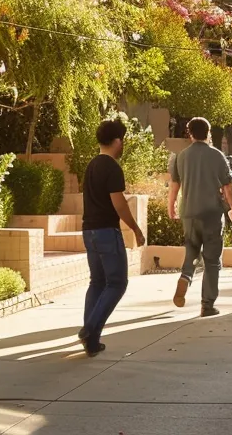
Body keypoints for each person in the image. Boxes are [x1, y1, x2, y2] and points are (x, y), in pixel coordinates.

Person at [78, 119, 144, 356]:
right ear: (117, 141)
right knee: (117, 283)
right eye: (122, 140)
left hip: (89, 231)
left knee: (97, 282)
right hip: (107, 231)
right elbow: (120, 205)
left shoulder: (92, 165)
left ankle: (92, 341)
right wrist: (136, 229)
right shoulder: (112, 167)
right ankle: (90, 328)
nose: (123, 144)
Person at [168, 117, 232, 316]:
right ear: (208, 132)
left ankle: (185, 276)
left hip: (188, 213)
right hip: (211, 214)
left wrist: (171, 207)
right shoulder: (217, 156)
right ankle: (207, 305)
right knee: (212, 260)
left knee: (191, 250)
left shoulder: (181, 156)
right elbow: (228, 189)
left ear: (189, 133)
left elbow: (174, 186)